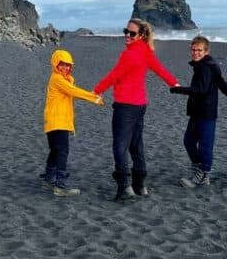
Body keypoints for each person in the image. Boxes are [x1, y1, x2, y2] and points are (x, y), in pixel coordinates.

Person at [93, 18, 179, 201]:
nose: (127, 35)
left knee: (120, 147)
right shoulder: (146, 51)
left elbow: (114, 76)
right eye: (126, 31)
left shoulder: (129, 54)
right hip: (140, 106)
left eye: (132, 33)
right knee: (135, 145)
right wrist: (175, 84)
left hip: (126, 106)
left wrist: (96, 91)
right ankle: (140, 185)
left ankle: (125, 187)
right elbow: (160, 70)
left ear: (141, 35)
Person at [170, 36, 227, 188]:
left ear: (206, 51)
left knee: (205, 145)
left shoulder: (206, 67)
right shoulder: (205, 65)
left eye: (199, 50)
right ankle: (198, 170)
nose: (195, 53)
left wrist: (178, 89)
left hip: (206, 112)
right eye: (193, 50)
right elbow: (221, 83)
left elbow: (200, 90)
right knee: (188, 141)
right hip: (197, 111)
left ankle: (203, 174)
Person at [42, 49, 104, 197]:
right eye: (62, 64)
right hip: (58, 121)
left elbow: (70, 88)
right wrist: (94, 97)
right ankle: (60, 186)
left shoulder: (60, 79)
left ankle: (49, 180)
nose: (65, 68)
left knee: (55, 151)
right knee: (62, 151)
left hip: (52, 121)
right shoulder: (57, 79)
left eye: (68, 65)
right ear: (56, 65)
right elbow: (73, 91)